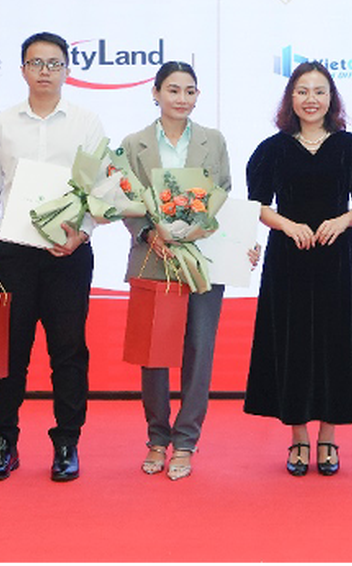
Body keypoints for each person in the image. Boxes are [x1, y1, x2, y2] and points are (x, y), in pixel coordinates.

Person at [0, 32, 106, 483]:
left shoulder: (86, 122)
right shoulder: (3, 124)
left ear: (67, 70)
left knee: (69, 352)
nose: (45, 71)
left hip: (70, 253)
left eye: (54, 63)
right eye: (36, 63)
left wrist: (82, 233)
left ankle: (67, 443)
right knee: (9, 354)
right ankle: (3, 443)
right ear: (23, 69)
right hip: (15, 254)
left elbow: (101, 187)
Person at [244, 62, 352, 476]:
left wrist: (343, 221)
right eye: (302, 91)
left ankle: (329, 438)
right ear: (291, 98)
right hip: (288, 260)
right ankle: (299, 437)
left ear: (331, 98)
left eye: (319, 91)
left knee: (336, 343)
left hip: (338, 259)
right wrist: (287, 225)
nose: (311, 99)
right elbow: (257, 205)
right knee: (294, 345)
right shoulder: (272, 149)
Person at [120, 62, 233, 481]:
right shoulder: (134, 144)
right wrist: (149, 231)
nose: (181, 98)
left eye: (189, 91)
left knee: (198, 351)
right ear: (155, 93)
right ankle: (156, 437)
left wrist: (202, 225)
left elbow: (223, 190)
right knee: (153, 354)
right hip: (153, 256)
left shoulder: (213, 140)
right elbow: (123, 197)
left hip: (202, 258)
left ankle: (186, 441)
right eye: (173, 90)